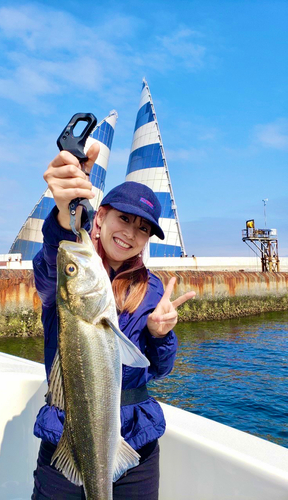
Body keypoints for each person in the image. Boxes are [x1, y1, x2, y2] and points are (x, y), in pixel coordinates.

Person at [31, 143, 195, 499]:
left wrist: (161, 334)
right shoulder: (68, 280)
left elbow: (161, 369)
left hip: (136, 434)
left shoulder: (152, 289)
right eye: (124, 218)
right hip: (69, 430)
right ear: (101, 217)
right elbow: (52, 263)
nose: (131, 233)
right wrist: (64, 213)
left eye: (143, 229)